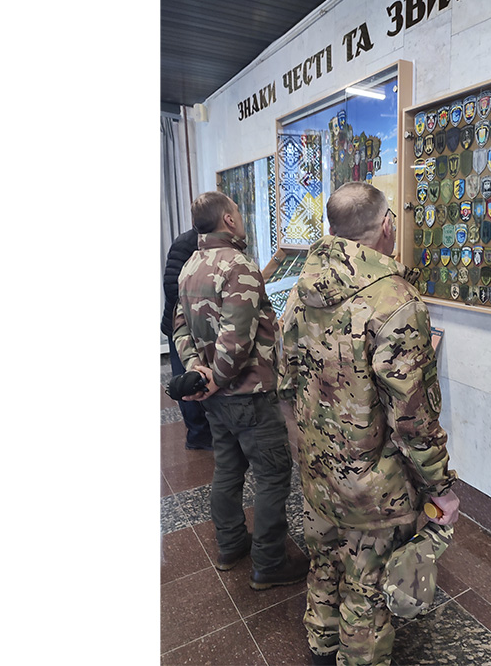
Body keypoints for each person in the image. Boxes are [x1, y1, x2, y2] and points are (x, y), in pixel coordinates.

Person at [278, 182, 460, 666]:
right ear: (386, 226)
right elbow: (413, 417)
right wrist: (440, 486)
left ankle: (321, 649)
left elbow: (285, 380)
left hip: (317, 470)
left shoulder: (300, 290)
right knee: (368, 587)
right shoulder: (396, 301)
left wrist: (306, 446)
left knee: (324, 564)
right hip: (373, 487)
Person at [172, 190, 308, 590]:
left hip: (214, 397)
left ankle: (231, 545)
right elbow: (236, 341)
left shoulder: (190, 266)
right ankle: (269, 561)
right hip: (248, 393)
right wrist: (216, 377)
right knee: (273, 473)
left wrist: (199, 373)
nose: (241, 216)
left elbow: (178, 326)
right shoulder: (238, 266)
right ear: (228, 220)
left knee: (228, 469)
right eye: (237, 211)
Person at [161, 225, 212, 450]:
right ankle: (197, 435)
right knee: (187, 379)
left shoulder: (212, 243)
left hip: (199, 325)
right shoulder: (186, 243)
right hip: (180, 325)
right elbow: (172, 288)